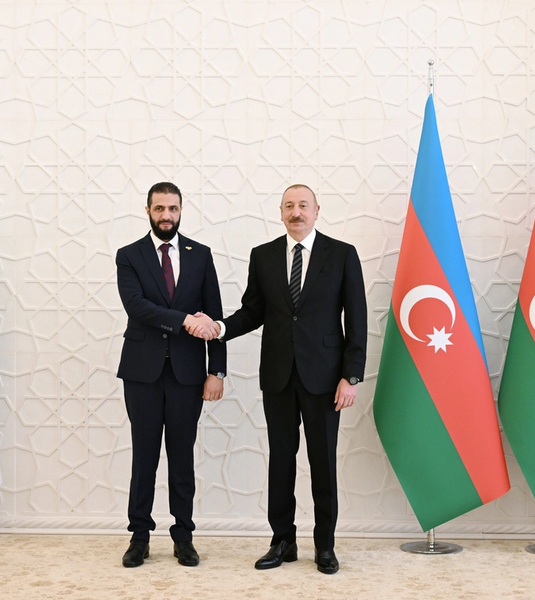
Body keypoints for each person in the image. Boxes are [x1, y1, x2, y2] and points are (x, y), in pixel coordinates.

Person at [202, 184, 367, 574]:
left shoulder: (342, 254)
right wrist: (220, 328)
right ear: (280, 212)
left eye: (303, 205)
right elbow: (252, 311)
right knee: (280, 461)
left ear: (317, 210)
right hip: (278, 376)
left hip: (325, 379)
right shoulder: (263, 256)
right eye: (289, 206)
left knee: (323, 463)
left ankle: (325, 546)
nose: (297, 212)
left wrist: (351, 376)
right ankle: (282, 541)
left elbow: (356, 317)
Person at [115, 182, 226, 568]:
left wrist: (217, 371)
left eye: (173, 209)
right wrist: (184, 320)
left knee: (181, 458)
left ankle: (183, 537)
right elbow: (136, 306)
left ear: (181, 210)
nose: (166, 216)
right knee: (144, 457)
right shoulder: (129, 255)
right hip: (141, 373)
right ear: (147, 210)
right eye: (159, 208)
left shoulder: (201, 254)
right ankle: (139, 537)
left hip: (187, 374)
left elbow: (214, 316)